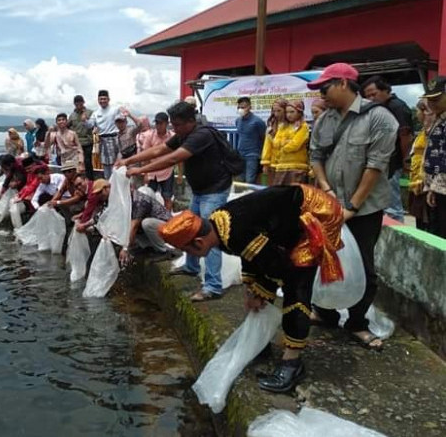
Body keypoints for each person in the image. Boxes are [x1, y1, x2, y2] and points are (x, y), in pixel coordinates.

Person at [157, 184, 344, 393]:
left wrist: (260, 292)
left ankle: (292, 362)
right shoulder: (218, 227)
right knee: (262, 286)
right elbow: (251, 254)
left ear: (199, 243)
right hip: (287, 217)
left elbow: (279, 266)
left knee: (296, 287)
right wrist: (252, 289)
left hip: (315, 213)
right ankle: (262, 342)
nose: (188, 255)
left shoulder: (234, 232)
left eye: (186, 250)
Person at [309, 62, 398, 350]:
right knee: (326, 259)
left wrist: (352, 207)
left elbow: (375, 167)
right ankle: (325, 312)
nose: (322, 95)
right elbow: (315, 156)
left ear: (344, 83)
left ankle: (357, 323)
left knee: (364, 267)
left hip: (365, 208)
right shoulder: (325, 120)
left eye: (325, 88)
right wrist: (327, 190)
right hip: (330, 203)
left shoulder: (380, 119)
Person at [117, 100, 231, 302]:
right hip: (200, 190)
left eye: (177, 124)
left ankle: (213, 286)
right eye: (173, 125)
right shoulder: (184, 134)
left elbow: (172, 158)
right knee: (189, 228)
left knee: (209, 234)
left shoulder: (201, 135)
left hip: (214, 191)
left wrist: (140, 169)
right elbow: (158, 150)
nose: (174, 129)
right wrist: (129, 160)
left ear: (190, 121)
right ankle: (192, 266)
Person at [362, 76, 414, 222]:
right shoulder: (381, 108)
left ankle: (397, 239)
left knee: (392, 205)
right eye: (368, 96)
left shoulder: (397, 107)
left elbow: (405, 135)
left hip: (393, 161)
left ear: (386, 90)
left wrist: (405, 159)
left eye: (374, 94)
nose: (371, 98)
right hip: (384, 162)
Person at [119, 189, 173, 266]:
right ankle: (148, 247)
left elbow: (134, 226)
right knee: (131, 222)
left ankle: (163, 251)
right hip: (156, 228)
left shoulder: (140, 201)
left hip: (168, 227)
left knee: (146, 223)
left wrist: (125, 248)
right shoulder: (127, 201)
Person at [423, 75, 446, 238]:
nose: (432, 104)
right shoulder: (439, 119)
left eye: (437, 99)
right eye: (429, 100)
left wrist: (435, 187)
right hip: (438, 188)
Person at [408, 100, 435, 230]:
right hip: (416, 181)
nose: (418, 113)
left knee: (428, 221)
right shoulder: (423, 132)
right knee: (420, 220)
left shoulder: (434, 132)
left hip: (426, 182)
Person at [142, 112, 175, 211]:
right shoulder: (149, 136)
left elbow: (178, 154)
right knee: (149, 197)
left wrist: (181, 174)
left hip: (167, 171)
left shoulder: (173, 137)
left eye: (161, 123)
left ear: (166, 124)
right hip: (153, 171)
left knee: (167, 197)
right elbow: (145, 156)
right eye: (157, 123)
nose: (158, 126)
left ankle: (167, 220)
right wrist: (145, 173)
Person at [273, 100, 310, 185]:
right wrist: (287, 142)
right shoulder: (283, 126)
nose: (289, 115)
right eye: (287, 112)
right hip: (281, 166)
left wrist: (283, 145)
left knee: (294, 194)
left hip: (297, 167)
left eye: (292, 112)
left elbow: (295, 145)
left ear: (299, 112)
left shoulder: (303, 126)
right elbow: (275, 143)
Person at [87, 89, 121, 179]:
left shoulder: (115, 110)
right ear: (98, 100)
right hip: (102, 140)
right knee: (106, 166)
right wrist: (84, 121)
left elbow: (121, 123)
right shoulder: (96, 113)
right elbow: (89, 125)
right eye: (100, 99)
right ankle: (108, 185)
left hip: (114, 138)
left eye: (104, 99)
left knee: (116, 165)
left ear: (108, 99)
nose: (102, 101)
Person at [235, 96, 266, 184]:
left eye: (243, 107)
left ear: (250, 107)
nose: (240, 109)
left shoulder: (258, 122)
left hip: (253, 155)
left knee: (250, 180)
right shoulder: (238, 121)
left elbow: (263, 138)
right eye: (239, 107)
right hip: (241, 154)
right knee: (240, 180)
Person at [260, 99, 289, 185]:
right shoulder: (271, 127)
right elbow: (267, 146)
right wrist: (265, 163)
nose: (276, 114)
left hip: (287, 164)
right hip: (273, 164)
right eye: (274, 111)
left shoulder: (292, 126)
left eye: (279, 111)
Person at [68, 95, 95, 179]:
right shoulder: (72, 115)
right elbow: (68, 127)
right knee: (78, 163)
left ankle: (90, 181)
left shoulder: (90, 113)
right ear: (74, 103)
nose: (78, 104)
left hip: (87, 142)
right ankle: (78, 181)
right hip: (76, 144)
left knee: (87, 162)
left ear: (83, 102)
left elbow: (94, 125)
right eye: (76, 102)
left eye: (80, 102)